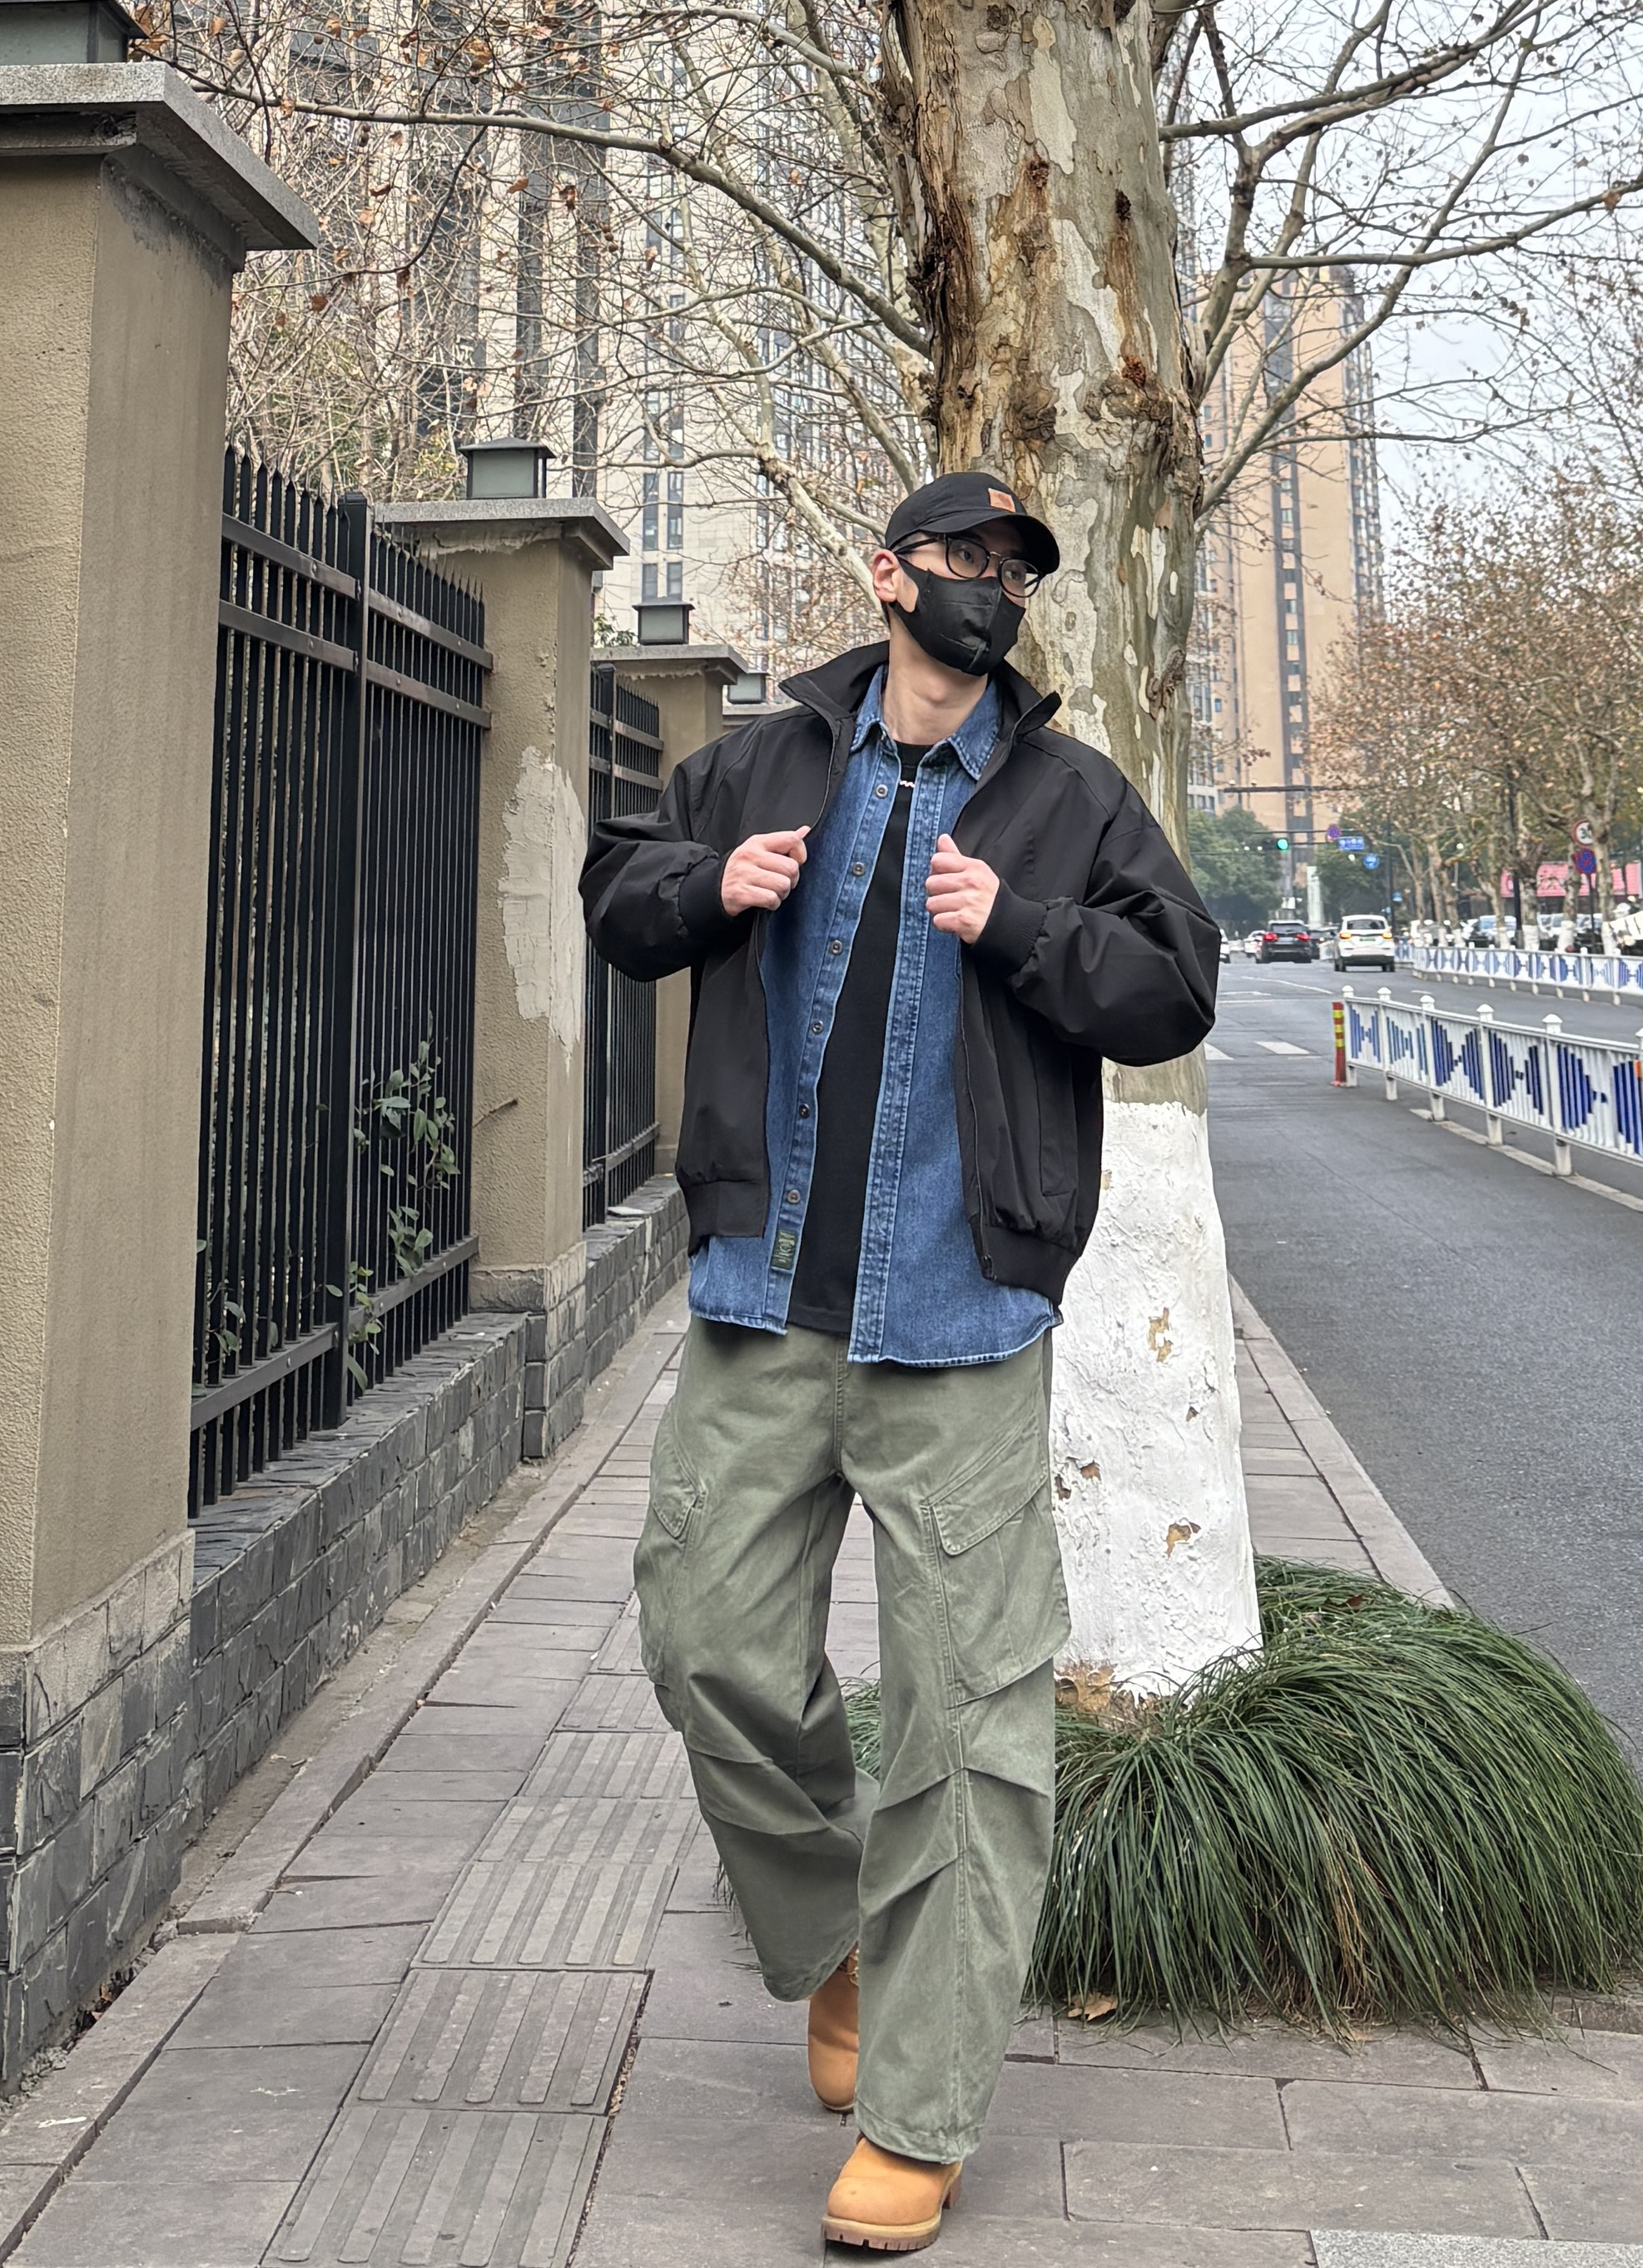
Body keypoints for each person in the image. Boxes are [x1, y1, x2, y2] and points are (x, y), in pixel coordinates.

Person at [580, 472, 1219, 2252]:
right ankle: (836, 1936)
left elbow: (1176, 986)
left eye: (1017, 571)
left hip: (961, 1317)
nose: (992, 590)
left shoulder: (1070, 800)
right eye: (966, 562)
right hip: (763, 1298)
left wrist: (1014, 924)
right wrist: (710, 886)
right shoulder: (762, 762)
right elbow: (618, 892)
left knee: (968, 1723)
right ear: (889, 578)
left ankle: (918, 2115)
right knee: (703, 1637)